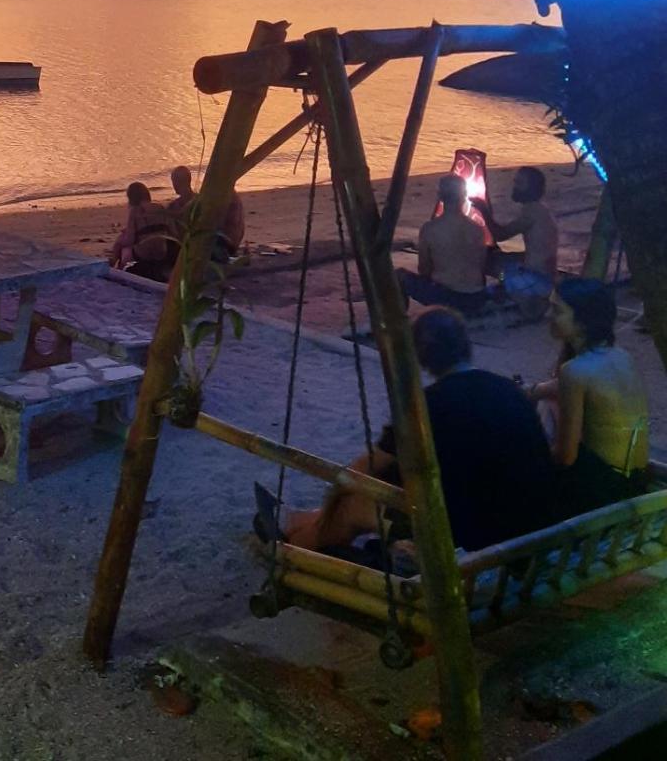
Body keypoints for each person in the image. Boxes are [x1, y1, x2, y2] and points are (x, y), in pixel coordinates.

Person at [258, 307, 557, 554]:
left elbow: (367, 466)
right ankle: (298, 520)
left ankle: (294, 546)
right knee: (382, 483)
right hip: (526, 520)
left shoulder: (429, 405)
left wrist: (332, 499)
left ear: (422, 355)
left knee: (352, 504)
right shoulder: (508, 389)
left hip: (474, 536)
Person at [524, 279, 650, 515]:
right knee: (547, 404)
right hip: (635, 481)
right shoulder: (622, 356)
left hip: (604, 491)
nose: (548, 315)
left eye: (557, 310)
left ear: (583, 321)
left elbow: (566, 457)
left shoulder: (574, 371)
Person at [401, 174, 489, 316]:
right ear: (464, 196)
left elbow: (424, 269)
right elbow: (481, 265)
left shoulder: (430, 229)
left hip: (447, 299)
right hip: (476, 298)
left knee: (400, 276)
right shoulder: (477, 228)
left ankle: (399, 319)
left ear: (440, 197)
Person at [475, 166, 559, 301]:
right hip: (545, 275)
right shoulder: (540, 209)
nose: (514, 187)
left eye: (519, 183)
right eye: (515, 182)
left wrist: (483, 210)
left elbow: (500, 235)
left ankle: (502, 287)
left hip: (537, 280)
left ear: (531, 188)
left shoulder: (532, 212)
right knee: (505, 257)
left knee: (490, 264)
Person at [167, 165, 245, 259]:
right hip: (226, 241)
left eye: (175, 181)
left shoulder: (217, 198)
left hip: (225, 244)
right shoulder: (216, 196)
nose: (174, 185)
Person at [110, 182, 177, 282]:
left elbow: (129, 240)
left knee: (122, 246)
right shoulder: (160, 207)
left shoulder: (135, 211)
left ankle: (116, 270)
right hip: (162, 251)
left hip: (144, 254)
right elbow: (172, 232)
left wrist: (120, 241)